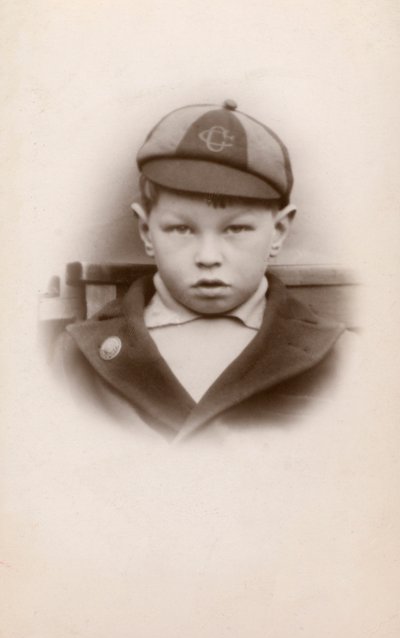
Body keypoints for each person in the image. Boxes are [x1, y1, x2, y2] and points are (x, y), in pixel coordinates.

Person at [55, 99, 349, 441]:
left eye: (236, 229)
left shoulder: (339, 357)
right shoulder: (77, 358)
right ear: (147, 231)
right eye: (181, 229)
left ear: (279, 231)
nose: (208, 257)